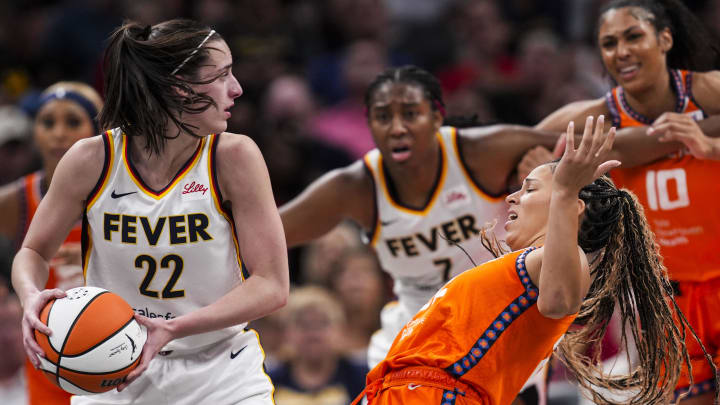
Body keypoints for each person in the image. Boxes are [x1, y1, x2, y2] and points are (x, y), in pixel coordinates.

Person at [11, 19, 288, 405]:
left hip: (219, 371)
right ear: (180, 87)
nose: (237, 88)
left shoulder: (234, 157)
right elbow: (33, 252)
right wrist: (30, 298)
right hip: (112, 368)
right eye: (222, 75)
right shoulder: (92, 159)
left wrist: (174, 328)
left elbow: (272, 285)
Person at [353, 115, 700, 405]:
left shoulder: (562, 260)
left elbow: (560, 300)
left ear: (572, 207)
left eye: (530, 189)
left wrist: (564, 190)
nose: (512, 197)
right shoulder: (530, 264)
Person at [280, 65, 571, 405]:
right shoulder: (356, 185)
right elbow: (271, 232)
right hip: (415, 335)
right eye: (383, 116)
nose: (398, 128)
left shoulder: (482, 154)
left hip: (495, 325)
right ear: (369, 125)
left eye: (410, 114)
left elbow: (588, 141)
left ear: (437, 119)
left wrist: (548, 173)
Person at [535, 1, 720, 402]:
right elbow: (521, 150)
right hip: (669, 296)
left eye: (633, 36)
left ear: (665, 38)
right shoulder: (591, 118)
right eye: (608, 43)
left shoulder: (707, 90)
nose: (621, 51)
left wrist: (710, 145)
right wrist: (531, 163)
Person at [0, 81, 103, 405]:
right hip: (45, 351)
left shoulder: (122, 195)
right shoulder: (15, 200)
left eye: (72, 122)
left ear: (98, 129)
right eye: (47, 122)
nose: (58, 133)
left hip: (108, 341)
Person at [270, 286, 368, 405]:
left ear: (341, 330)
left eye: (322, 323)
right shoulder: (269, 381)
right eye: (303, 324)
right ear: (286, 333)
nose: (313, 333)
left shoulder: (363, 378)